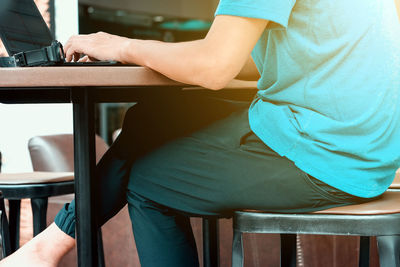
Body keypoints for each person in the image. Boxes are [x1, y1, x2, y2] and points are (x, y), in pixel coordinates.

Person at [1, 0, 400, 266]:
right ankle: (49, 245)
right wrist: (166, 53)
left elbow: (214, 66)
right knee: (155, 116)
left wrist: (119, 45)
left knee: (148, 184)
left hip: (328, 153)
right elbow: (242, 60)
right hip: (360, 145)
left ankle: (47, 247)